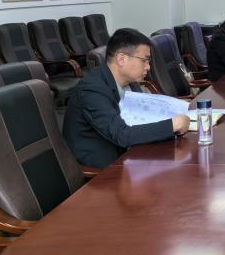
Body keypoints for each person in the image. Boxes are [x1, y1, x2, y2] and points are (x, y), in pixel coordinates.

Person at [63, 28, 190, 168]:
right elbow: (121, 134)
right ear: (121, 59)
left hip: (130, 152)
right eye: (144, 61)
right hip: (107, 167)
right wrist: (171, 125)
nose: (148, 67)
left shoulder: (130, 82)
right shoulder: (92, 90)